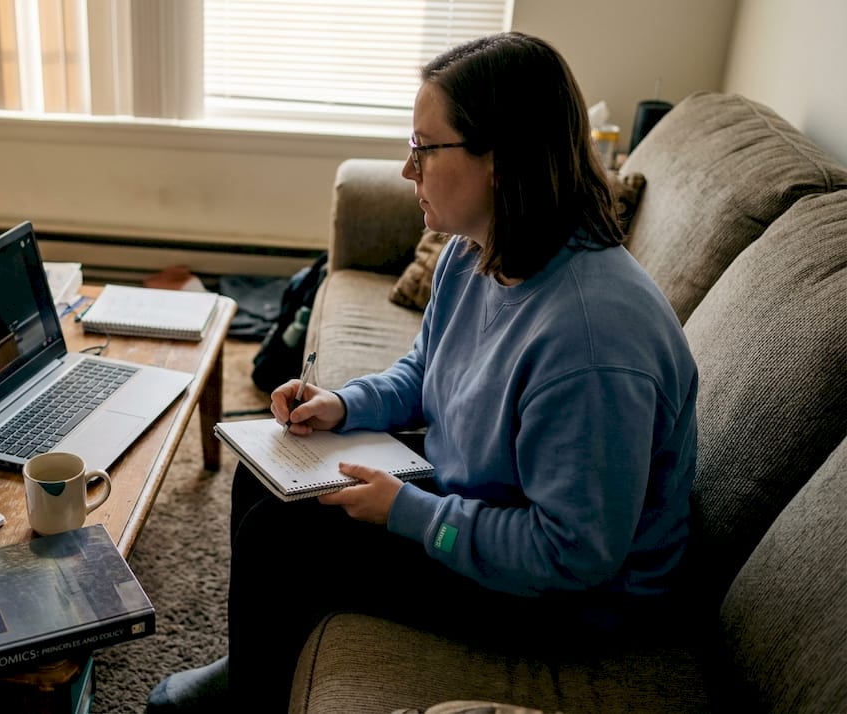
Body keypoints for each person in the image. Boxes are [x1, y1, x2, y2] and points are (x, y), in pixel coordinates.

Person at [147, 31, 698, 712]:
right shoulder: (476, 252)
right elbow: (425, 370)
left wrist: (409, 511)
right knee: (268, 469)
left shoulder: (590, 342)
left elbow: (573, 555)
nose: (408, 171)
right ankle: (255, 665)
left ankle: (251, 698)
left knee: (286, 537)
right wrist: (345, 405)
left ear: (499, 159)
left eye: (423, 149)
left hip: (574, 603)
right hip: (493, 496)